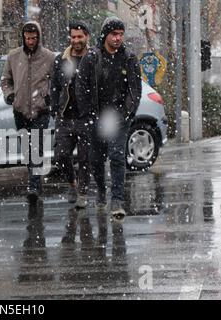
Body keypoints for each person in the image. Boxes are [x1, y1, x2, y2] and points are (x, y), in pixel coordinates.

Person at [76, 16, 142, 218]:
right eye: (114, 34)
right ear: (106, 35)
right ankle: (102, 191)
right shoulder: (92, 58)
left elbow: (135, 91)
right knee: (96, 159)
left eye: (121, 35)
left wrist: (126, 113)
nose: (118, 38)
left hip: (120, 119)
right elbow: (81, 88)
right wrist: (88, 114)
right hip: (96, 117)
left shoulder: (129, 59)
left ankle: (117, 200)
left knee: (117, 156)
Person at [1, 21, 56, 201]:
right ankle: (36, 180)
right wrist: (10, 95)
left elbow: (56, 82)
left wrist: (49, 97)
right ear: (23, 38)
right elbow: (6, 80)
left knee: (37, 148)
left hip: (41, 110)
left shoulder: (48, 57)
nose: (30, 41)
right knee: (27, 150)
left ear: (39, 37)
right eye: (27, 38)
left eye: (33, 38)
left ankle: (33, 186)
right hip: (20, 110)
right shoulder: (14, 56)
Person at [50, 21, 91, 208]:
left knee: (85, 158)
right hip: (65, 116)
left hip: (86, 117)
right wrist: (54, 108)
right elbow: (55, 87)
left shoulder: (93, 59)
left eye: (79, 37)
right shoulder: (61, 59)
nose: (76, 40)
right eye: (73, 37)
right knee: (60, 155)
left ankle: (83, 193)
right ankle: (73, 183)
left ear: (86, 37)